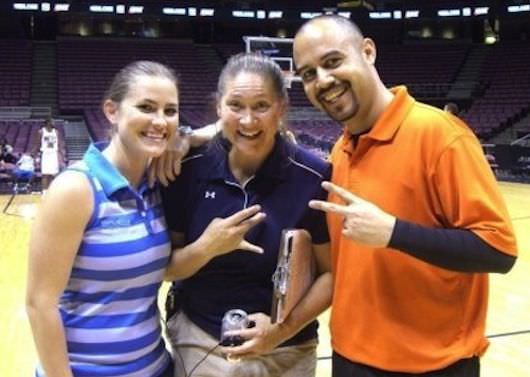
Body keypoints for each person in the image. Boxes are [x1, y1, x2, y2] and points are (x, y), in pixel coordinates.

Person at [292, 15, 518, 377]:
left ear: (368, 51)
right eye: (307, 74)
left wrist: (394, 232)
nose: (323, 80)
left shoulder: (440, 135)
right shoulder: (340, 151)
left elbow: (500, 249)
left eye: (333, 62)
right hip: (350, 358)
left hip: (432, 365)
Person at [161, 52, 332, 377]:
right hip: (200, 343)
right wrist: (206, 247)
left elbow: (331, 274)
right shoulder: (185, 170)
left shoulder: (314, 176)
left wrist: (280, 331)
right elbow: (166, 268)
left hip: (288, 351)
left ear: (281, 108)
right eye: (236, 106)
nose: (248, 121)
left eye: (262, 106)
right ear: (218, 108)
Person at [26, 60, 180, 377]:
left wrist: (189, 139)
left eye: (170, 111)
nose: (160, 121)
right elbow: (40, 304)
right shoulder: (76, 189)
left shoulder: (157, 182)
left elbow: (226, 125)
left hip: (156, 367)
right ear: (112, 111)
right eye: (146, 107)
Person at [37, 118, 62, 192]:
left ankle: (50, 191)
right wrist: (36, 155)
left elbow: (59, 144)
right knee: (45, 174)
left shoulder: (56, 132)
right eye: (52, 121)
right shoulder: (41, 131)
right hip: (45, 154)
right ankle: (44, 192)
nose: (54, 123)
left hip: (53, 154)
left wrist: (60, 154)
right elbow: (37, 144)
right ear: (47, 123)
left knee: (52, 174)